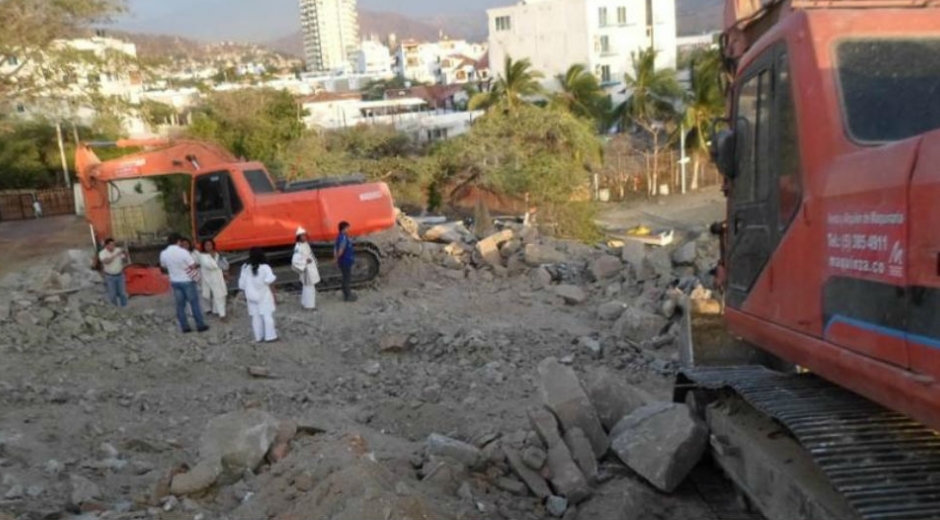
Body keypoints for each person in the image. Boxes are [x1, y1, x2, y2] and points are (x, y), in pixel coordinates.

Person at [159, 233, 208, 333]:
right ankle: (200, 325)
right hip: (187, 281)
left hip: (175, 281)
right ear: (178, 241)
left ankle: (185, 327)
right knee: (194, 304)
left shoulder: (163, 253)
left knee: (180, 306)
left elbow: (163, 267)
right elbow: (193, 266)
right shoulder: (183, 252)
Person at [238, 247, 278, 343]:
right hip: (264, 295)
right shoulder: (265, 268)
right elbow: (270, 282)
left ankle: (258, 337)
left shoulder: (245, 268)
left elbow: (242, 285)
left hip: (251, 297)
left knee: (255, 317)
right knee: (267, 315)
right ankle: (270, 336)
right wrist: (274, 294)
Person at [195, 239, 229, 321]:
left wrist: (224, 270)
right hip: (210, 279)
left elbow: (225, 264)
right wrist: (220, 265)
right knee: (218, 295)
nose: (208, 247)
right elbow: (210, 265)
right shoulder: (202, 256)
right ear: (204, 246)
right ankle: (222, 315)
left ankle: (216, 311)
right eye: (206, 245)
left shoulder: (217, 254)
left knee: (222, 294)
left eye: (210, 245)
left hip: (219, 277)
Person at [291, 226, 320, 310]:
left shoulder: (305, 244)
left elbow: (310, 254)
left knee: (307, 287)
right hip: (306, 269)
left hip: (310, 268)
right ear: (299, 237)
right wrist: (305, 261)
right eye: (302, 235)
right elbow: (295, 260)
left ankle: (304, 303)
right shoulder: (298, 247)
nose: (304, 237)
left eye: (305, 235)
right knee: (309, 288)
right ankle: (310, 306)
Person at [98, 238, 129, 307]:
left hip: (120, 275)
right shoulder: (102, 253)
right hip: (110, 277)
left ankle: (124, 308)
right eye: (111, 245)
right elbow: (106, 261)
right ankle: (115, 309)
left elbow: (125, 259)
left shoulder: (118, 250)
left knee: (123, 293)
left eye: (114, 244)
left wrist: (125, 253)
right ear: (106, 246)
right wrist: (115, 255)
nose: (113, 246)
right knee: (112, 295)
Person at [334, 221, 357, 302]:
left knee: (345, 277)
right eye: (347, 228)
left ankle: (346, 293)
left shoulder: (339, 237)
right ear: (344, 229)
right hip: (345, 261)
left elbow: (335, 248)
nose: (348, 229)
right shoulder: (343, 238)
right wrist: (337, 258)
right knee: (347, 278)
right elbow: (341, 249)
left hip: (344, 261)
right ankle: (348, 296)